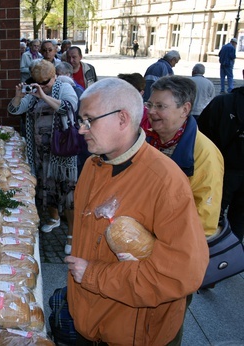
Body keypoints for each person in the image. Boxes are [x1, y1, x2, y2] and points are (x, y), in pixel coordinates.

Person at [65, 78, 209, 345]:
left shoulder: (165, 181)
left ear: (122, 119)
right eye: (80, 121)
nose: (81, 130)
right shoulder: (92, 165)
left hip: (135, 333)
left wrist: (93, 275)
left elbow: (180, 274)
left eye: (89, 120)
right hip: (92, 321)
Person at [7, 59, 79, 254]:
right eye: (40, 81)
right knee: (47, 187)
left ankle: (72, 234)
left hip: (62, 152)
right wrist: (18, 97)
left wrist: (43, 96)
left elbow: (69, 108)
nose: (44, 86)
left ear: (55, 76)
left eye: (47, 82)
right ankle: (54, 218)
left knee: (67, 192)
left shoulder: (64, 87)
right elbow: (15, 110)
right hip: (40, 152)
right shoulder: (36, 91)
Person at [145, 75, 223, 237]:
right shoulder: (146, 140)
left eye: (160, 106)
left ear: (185, 109)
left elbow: (205, 219)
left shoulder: (205, 153)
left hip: (173, 241)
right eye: (150, 104)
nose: (151, 112)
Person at [198, 86, 244, 241]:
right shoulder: (222, 102)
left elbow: (202, 135)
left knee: (212, 216)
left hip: (220, 170)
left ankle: (213, 255)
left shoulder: (222, 102)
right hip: (224, 170)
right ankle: (234, 256)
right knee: (239, 220)